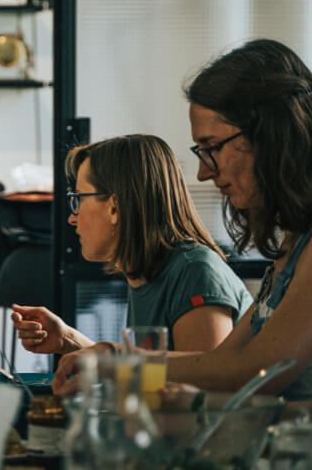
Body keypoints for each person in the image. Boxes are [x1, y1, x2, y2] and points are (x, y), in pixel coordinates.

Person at [54, 40, 312, 401]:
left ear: (271, 135)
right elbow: (222, 361)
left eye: (212, 147)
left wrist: (116, 362)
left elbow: (253, 374)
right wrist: (107, 356)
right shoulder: (295, 243)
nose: (204, 172)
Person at [14, 134, 251, 361]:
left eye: (79, 199)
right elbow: (151, 373)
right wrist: (69, 340)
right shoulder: (148, 270)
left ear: (114, 207)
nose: (72, 218)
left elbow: (201, 392)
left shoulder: (195, 271)